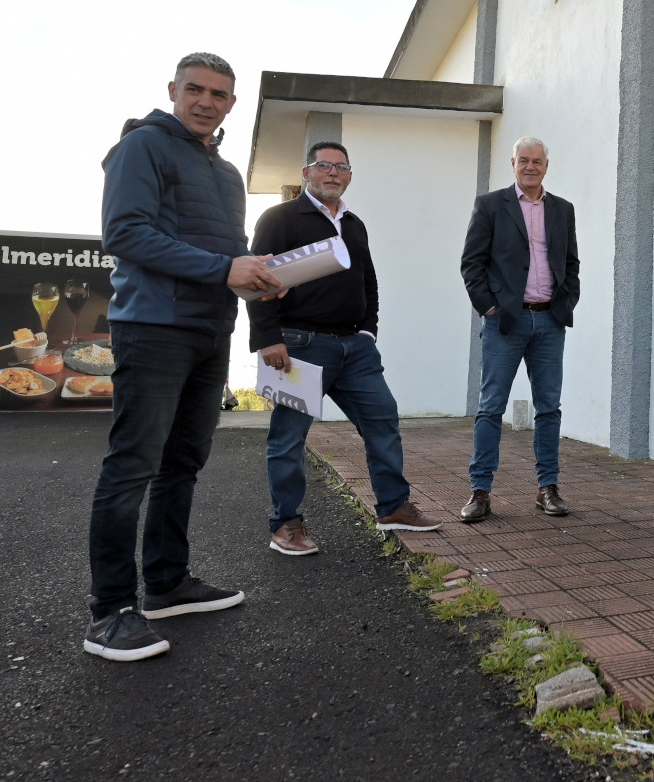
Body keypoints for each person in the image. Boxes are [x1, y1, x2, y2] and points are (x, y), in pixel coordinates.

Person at [84, 52, 283, 662]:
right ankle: (110, 612)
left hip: (209, 329)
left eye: (219, 94)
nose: (205, 102)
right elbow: (124, 233)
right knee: (132, 465)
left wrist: (257, 277)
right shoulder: (142, 147)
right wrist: (225, 268)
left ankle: (167, 584)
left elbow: (226, 251)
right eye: (195, 89)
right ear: (172, 89)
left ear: (232, 104)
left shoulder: (226, 173)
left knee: (183, 463)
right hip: (153, 326)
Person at [248, 140, 440, 556]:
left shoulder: (354, 224)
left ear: (349, 176)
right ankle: (286, 525)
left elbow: (368, 281)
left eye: (341, 167)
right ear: (306, 173)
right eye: (324, 165)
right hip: (299, 345)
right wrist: (267, 338)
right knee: (289, 438)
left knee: (382, 420)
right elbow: (257, 280)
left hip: (355, 348)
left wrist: (368, 331)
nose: (333, 173)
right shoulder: (280, 218)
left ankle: (393, 507)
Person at [458, 137, 580, 522]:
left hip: (550, 321)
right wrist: (490, 308)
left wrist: (566, 303)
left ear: (547, 166)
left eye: (537, 161)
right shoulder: (491, 205)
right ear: (513, 163)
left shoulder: (562, 209)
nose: (530, 166)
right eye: (523, 160)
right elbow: (472, 263)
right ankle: (480, 492)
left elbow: (571, 263)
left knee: (549, 408)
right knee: (491, 407)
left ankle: (548, 489)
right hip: (505, 323)